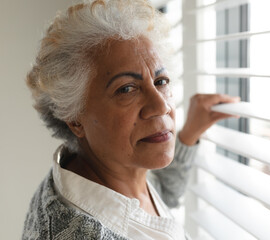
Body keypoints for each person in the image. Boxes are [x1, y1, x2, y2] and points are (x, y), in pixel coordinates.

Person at [22, 0, 239, 239]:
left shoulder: (107, 169)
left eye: (161, 81)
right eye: (126, 89)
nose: (161, 106)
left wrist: (188, 136)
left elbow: (161, 195)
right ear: (75, 119)